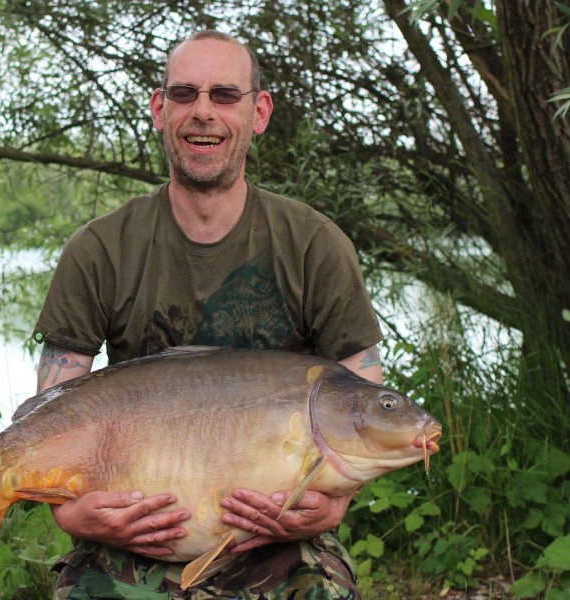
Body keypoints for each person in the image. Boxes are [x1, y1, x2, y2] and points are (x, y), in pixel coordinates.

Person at [31, 30, 383, 600]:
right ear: (159, 108)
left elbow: (362, 408)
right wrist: (73, 517)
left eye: (224, 95)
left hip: (275, 537)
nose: (203, 113)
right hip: (138, 528)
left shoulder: (316, 246)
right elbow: (57, 409)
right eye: (184, 94)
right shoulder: (99, 249)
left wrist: (332, 505)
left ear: (258, 111)